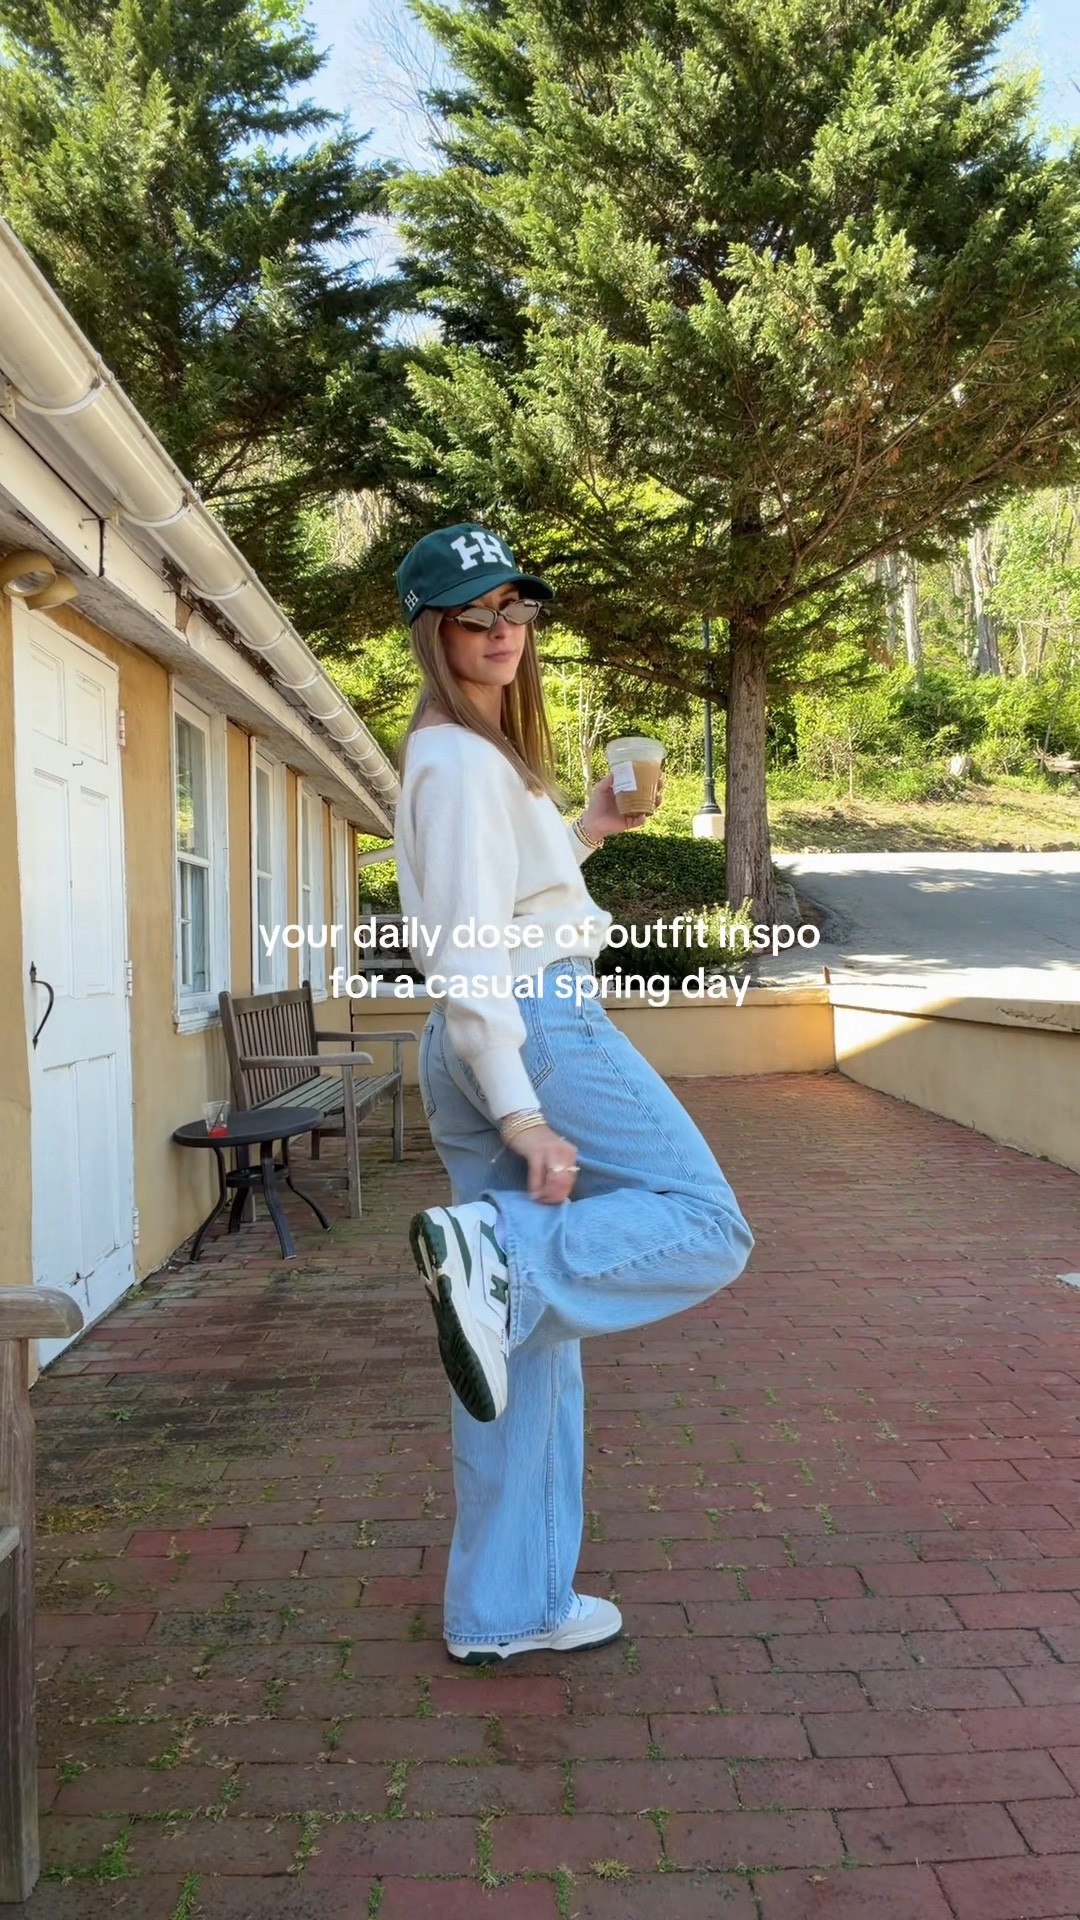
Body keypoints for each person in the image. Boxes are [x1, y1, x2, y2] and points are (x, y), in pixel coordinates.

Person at [392, 523, 754, 1665]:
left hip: (497, 1030)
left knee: (520, 1345)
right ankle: (502, 1257)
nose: (501, 634)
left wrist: (588, 827)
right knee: (705, 1222)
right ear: (430, 632)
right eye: (473, 616)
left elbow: (514, 894)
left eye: (515, 611)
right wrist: (520, 1108)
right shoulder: (451, 759)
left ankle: (506, 1608)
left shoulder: (480, 760)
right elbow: (466, 947)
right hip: (527, 1025)